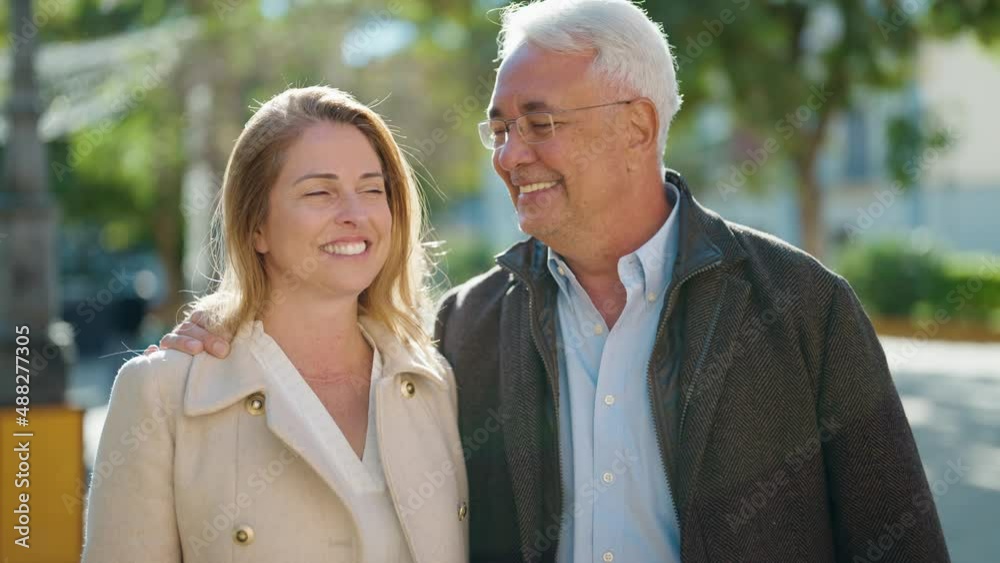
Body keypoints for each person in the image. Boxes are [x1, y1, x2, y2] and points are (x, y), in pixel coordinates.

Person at [157, 1, 951, 562]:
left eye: (539, 123)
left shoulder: (802, 308)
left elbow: (902, 540)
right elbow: (330, 359)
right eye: (500, 129)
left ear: (636, 125)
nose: (508, 156)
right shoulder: (461, 328)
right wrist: (233, 328)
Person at [83, 86, 468, 563]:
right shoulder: (163, 393)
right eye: (320, 192)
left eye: (372, 189)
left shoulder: (434, 384)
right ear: (255, 227)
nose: (354, 214)